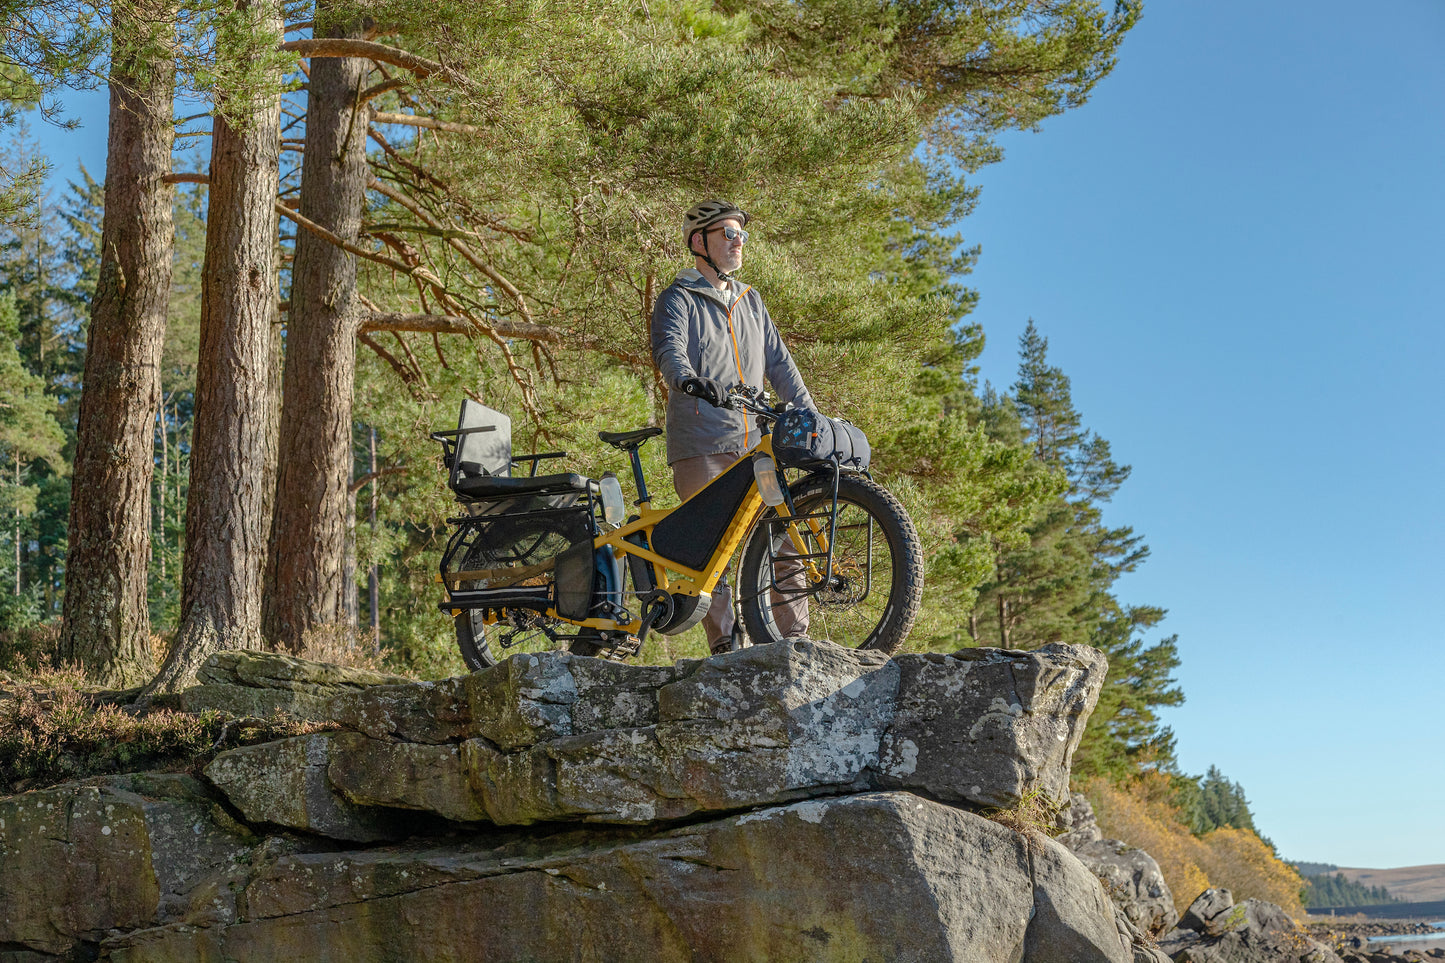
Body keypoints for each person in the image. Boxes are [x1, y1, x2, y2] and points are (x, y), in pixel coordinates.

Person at [650, 199, 815, 654]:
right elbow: (669, 349)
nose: (738, 241)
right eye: (728, 233)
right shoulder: (678, 298)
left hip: (755, 444)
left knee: (783, 538)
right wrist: (686, 379)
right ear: (699, 242)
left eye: (741, 234)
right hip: (702, 440)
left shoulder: (750, 300)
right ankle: (725, 645)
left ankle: (795, 640)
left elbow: (781, 364)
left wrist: (808, 413)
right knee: (713, 551)